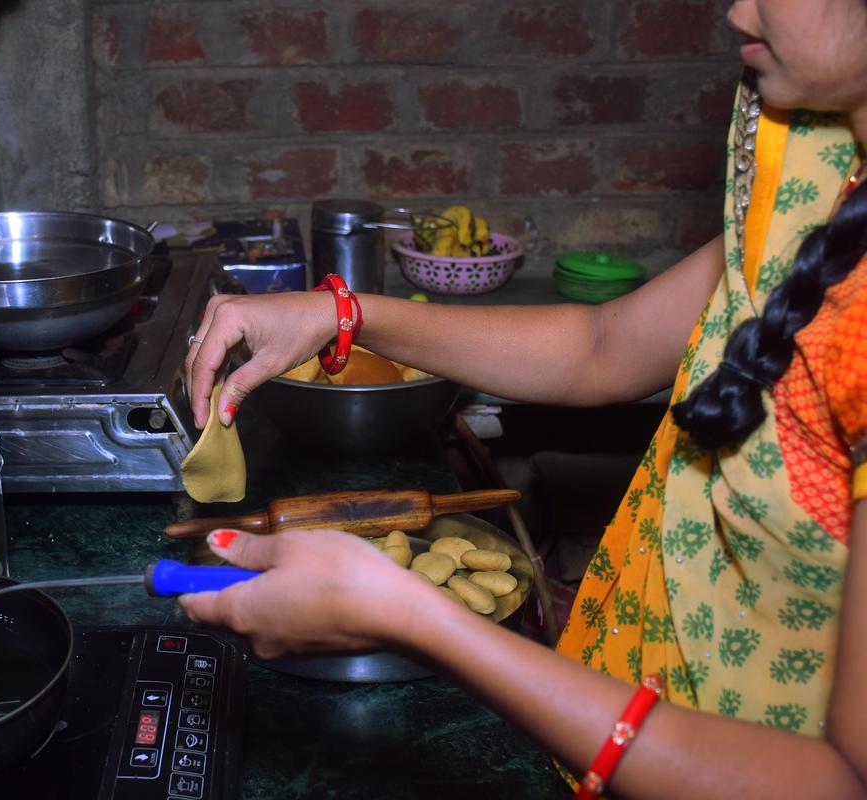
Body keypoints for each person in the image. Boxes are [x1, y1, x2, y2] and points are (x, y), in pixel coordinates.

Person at [176, 1, 867, 797]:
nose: (733, 7)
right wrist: (345, 314)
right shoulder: (819, 174)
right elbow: (604, 348)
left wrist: (416, 620)